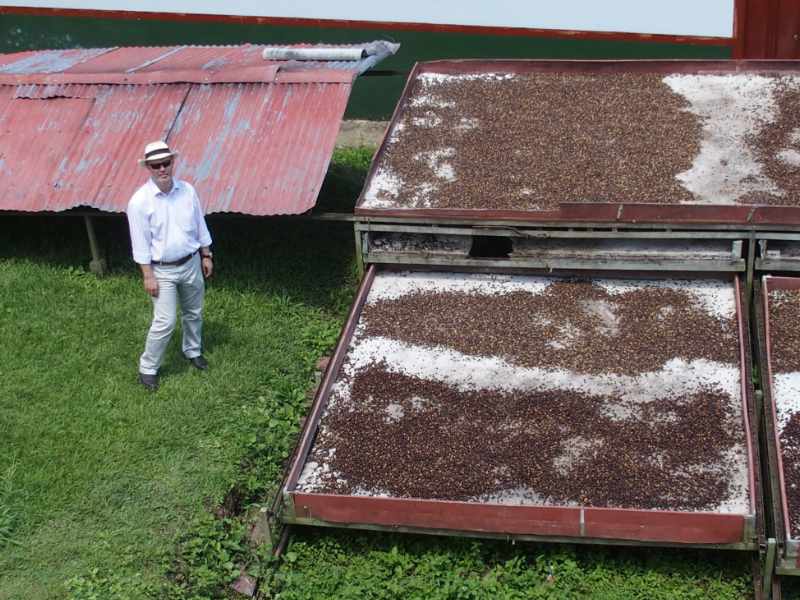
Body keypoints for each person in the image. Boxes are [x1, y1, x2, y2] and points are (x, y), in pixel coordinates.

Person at [126, 140, 214, 391]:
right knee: (165, 321)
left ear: (173, 163)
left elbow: (200, 224)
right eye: (156, 165)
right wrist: (147, 276)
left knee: (194, 312)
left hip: (191, 263)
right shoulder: (139, 202)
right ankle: (148, 368)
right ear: (148, 168)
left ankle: (193, 351)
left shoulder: (188, 191)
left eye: (166, 163)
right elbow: (140, 244)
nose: (162, 169)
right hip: (161, 270)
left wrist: (206, 255)